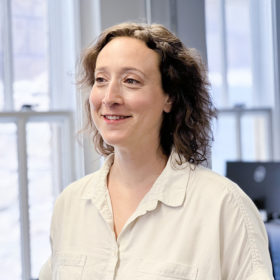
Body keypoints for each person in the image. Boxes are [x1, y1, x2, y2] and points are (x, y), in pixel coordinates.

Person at [39, 22, 273, 279]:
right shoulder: (70, 205)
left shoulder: (225, 207)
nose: (109, 98)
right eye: (101, 80)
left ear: (170, 97)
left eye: (131, 80)